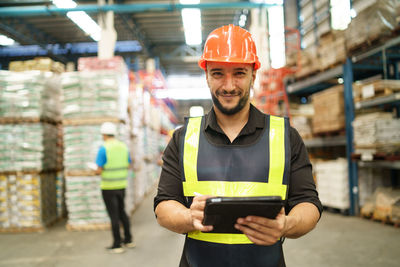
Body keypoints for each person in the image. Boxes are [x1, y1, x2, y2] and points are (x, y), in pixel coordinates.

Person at [154, 24, 323, 267]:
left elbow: (308, 204)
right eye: (218, 73)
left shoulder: (286, 137)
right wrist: (187, 216)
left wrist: (286, 224)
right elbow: (163, 204)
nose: (229, 86)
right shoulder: (183, 139)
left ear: (254, 74)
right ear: (206, 76)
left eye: (240, 73)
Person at [95, 122, 135, 253]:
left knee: (113, 215)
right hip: (121, 185)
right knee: (122, 212)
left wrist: (95, 171)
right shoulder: (123, 147)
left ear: (104, 134)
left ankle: (117, 244)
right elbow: (129, 165)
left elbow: (99, 170)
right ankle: (128, 240)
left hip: (108, 186)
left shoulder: (104, 148)